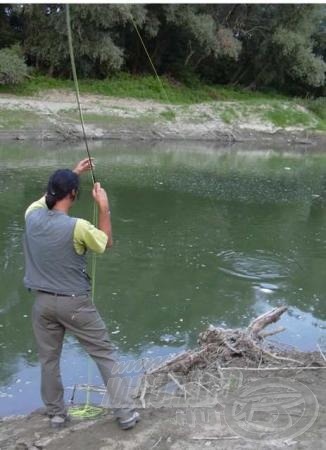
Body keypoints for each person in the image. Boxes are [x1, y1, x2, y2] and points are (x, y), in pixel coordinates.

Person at [23, 158, 139, 430]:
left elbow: (46, 198)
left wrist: (73, 174)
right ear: (74, 195)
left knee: (49, 360)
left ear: (50, 191)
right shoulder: (78, 226)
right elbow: (106, 242)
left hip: (42, 304)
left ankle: (56, 414)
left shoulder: (32, 215)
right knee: (105, 354)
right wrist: (104, 207)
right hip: (75, 304)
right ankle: (125, 414)